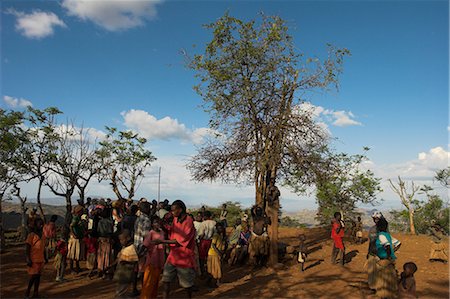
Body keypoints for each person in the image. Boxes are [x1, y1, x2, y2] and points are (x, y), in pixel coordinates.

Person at [156, 200, 196, 299]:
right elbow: (172, 232)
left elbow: (179, 240)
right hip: (173, 255)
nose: (172, 213)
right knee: (166, 280)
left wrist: (162, 241)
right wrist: (163, 225)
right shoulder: (175, 219)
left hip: (184, 257)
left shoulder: (189, 221)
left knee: (186, 285)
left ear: (180, 210)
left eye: (174, 210)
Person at [141, 217, 166, 299]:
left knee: (155, 282)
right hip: (152, 260)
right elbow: (145, 245)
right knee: (148, 281)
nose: (157, 224)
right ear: (152, 224)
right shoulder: (151, 233)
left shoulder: (162, 232)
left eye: (158, 222)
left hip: (160, 259)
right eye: (155, 222)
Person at [133, 201, 152, 295]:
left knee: (136, 269)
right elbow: (146, 236)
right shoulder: (147, 220)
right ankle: (144, 289)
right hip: (143, 247)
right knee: (142, 269)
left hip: (136, 245)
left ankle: (134, 288)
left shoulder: (138, 218)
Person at [375, 217, 397, 298]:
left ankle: (384, 295)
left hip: (384, 260)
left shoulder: (381, 235)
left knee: (383, 279)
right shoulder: (387, 235)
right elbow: (398, 244)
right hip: (389, 259)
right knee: (390, 279)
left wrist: (387, 257)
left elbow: (387, 246)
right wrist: (392, 253)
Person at [25, 218, 47, 299]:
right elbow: (27, 248)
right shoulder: (31, 235)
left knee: (38, 276)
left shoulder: (43, 235)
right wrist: (28, 259)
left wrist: (45, 257)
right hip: (33, 259)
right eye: (39, 224)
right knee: (33, 276)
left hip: (40, 259)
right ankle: (27, 292)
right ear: (35, 225)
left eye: (42, 224)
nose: (41, 226)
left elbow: (43, 247)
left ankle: (35, 293)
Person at [114, 229, 139, 298]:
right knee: (121, 292)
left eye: (122, 240)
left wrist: (125, 261)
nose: (121, 242)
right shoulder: (124, 247)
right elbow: (119, 258)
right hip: (121, 274)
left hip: (126, 274)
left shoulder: (131, 248)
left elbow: (134, 261)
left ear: (128, 238)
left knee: (120, 293)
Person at [207, 223, 227, 287]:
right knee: (216, 268)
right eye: (219, 228)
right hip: (213, 254)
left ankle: (213, 281)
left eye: (221, 228)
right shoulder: (216, 235)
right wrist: (219, 253)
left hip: (215, 254)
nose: (220, 229)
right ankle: (216, 282)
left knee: (215, 268)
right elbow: (213, 245)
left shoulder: (220, 235)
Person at [197, 210, 216, 276]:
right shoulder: (214, 223)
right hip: (211, 241)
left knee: (202, 258)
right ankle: (210, 270)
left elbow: (201, 234)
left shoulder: (203, 223)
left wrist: (199, 240)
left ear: (204, 216)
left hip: (203, 241)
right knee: (209, 256)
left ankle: (203, 271)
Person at [67, 205, 85, 274]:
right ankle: (72, 268)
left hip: (78, 238)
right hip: (75, 239)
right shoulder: (76, 218)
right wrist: (73, 234)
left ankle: (77, 267)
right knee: (72, 254)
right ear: (79, 211)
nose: (83, 212)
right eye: (82, 211)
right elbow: (71, 226)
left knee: (77, 254)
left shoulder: (78, 218)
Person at [367, 211, 382, 290]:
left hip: (379, 253)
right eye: (374, 218)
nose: (376, 220)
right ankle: (372, 287)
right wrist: (368, 252)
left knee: (378, 271)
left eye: (377, 218)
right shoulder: (372, 229)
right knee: (371, 271)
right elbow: (371, 241)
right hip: (372, 252)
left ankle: (377, 287)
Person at [97, 208, 114, 279]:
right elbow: (110, 232)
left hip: (101, 240)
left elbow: (98, 231)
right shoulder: (110, 222)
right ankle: (107, 272)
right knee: (107, 256)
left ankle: (101, 270)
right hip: (107, 240)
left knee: (101, 256)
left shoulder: (100, 222)